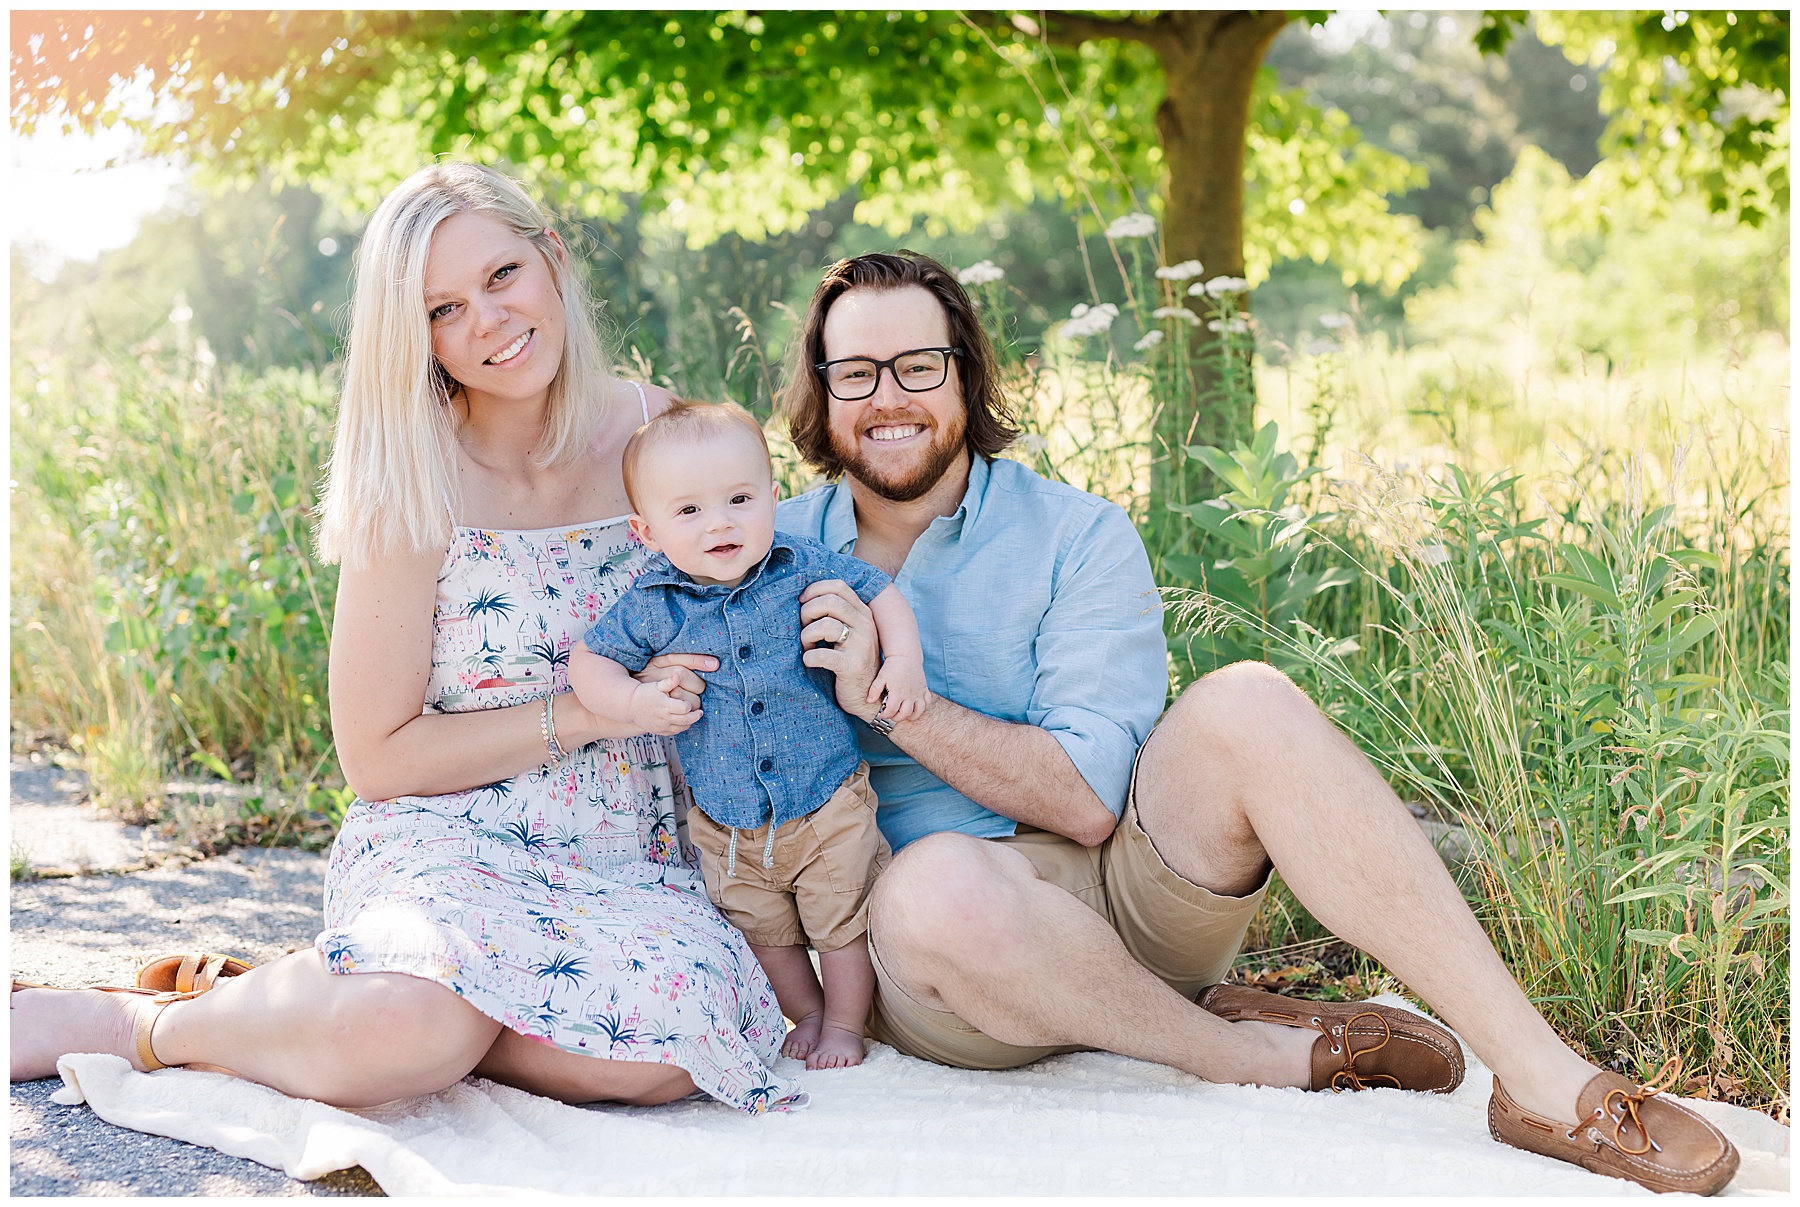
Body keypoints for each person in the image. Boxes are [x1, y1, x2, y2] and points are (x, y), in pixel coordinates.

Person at [740, 249, 1736, 1195]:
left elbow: (1089, 804)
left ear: (966, 376)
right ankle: (1249, 1051)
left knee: (1249, 699)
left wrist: (888, 701)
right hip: (952, 960)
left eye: (918, 364)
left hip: (1125, 892)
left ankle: (1541, 1079)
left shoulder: (1075, 532)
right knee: (936, 886)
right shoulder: (764, 549)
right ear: (820, 396)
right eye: (855, 373)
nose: (888, 398)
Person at [10, 162, 804, 1116]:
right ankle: (149, 1025)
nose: (488, 323)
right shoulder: (412, 476)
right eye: (442, 309)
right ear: (415, 335)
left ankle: (384, 1011)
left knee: (661, 1059)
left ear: (551, 261)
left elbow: (750, 589)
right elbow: (378, 756)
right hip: (447, 831)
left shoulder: (657, 430)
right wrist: (588, 712)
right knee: (404, 1027)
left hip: (627, 845)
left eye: (502, 277)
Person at [569, 400, 928, 1069]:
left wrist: (901, 661)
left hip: (827, 802)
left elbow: (879, 591)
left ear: (773, 494)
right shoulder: (654, 602)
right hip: (729, 825)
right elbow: (588, 660)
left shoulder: (798, 564)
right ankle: (811, 1013)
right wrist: (634, 701)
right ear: (645, 530)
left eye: (739, 498)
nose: (721, 522)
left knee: (843, 919)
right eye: (689, 511)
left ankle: (847, 1024)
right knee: (767, 934)